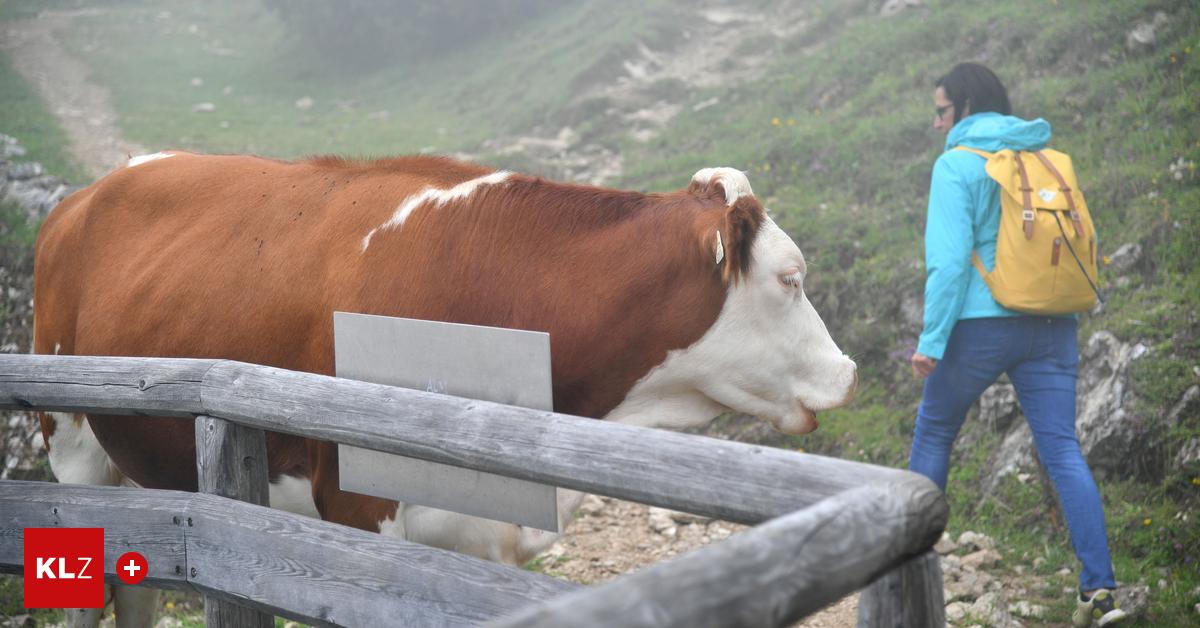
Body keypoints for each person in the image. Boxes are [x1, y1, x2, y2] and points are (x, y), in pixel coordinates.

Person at [908, 62, 1127, 627]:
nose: (936, 123)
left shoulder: (957, 165)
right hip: (1053, 322)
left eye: (940, 110)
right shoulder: (1042, 160)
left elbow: (950, 265)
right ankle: (1099, 592)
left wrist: (931, 343)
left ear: (964, 108)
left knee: (934, 430)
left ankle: (905, 574)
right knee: (1062, 450)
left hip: (982, 324)